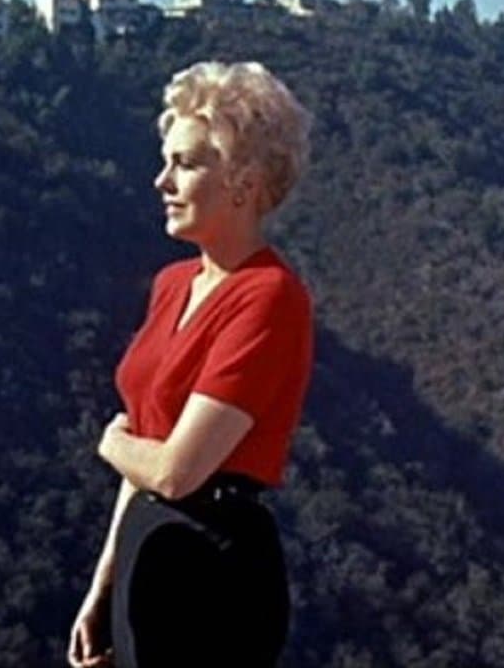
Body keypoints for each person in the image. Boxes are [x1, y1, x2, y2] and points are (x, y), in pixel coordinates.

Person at [67, 61, 314, 668]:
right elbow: (149, 454)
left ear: (243, 182)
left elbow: (177, 471)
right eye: (166, 162)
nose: (162, 182)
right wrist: (103, 587)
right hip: (147, 549)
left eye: (185, 164)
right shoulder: (172, 285)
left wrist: (110, 443)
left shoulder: (270, 297)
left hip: (213, 567)